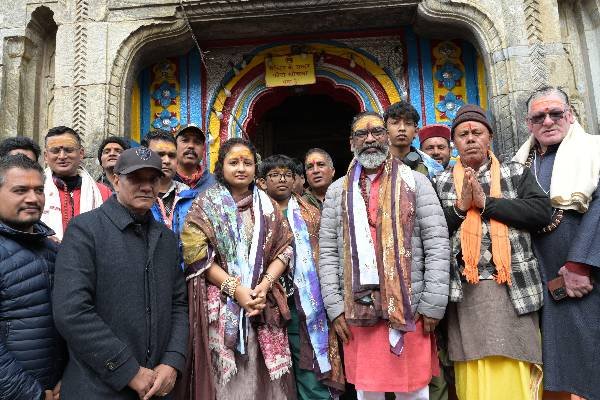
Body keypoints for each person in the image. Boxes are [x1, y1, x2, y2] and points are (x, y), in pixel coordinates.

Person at [319, 111, 450, 400]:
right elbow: (327, 252)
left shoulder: (416, 182)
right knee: (368, 392)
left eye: (376, 132)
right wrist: (335, 308)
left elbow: (437, 243)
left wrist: (432, 304)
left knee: (414, 391)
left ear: (387, 137)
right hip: (358, 310)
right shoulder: (337, 191)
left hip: (410, 307)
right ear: (351, 142)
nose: (370, 139)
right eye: (361, 134)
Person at [435, 104, 552, 400]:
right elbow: (432, 231)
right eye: (463, 134)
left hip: (514, 286)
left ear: (490, 138)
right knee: (472, 364)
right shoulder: (441, 181)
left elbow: (542, 212)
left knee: (517, 359)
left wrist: (487, 203)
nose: (470, 139)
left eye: (477, 132)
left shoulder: (516, 172)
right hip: (465, 291)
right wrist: (461, 208)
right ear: (454, 143)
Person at [53, 147, 189, 399]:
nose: (146, 187)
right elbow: (71, 311)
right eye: (136, 178)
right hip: (97, 386)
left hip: (157, 385)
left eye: (153, 179)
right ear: (116, 180)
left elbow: (178, 304)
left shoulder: (166, 238)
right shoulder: (85, 230)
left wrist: (172, 360)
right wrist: (127, 370)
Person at [178, 138, 296, 400]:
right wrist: (236, 290)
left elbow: (285, 249)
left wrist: (264, 286)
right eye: (234, 162)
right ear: (221, 167)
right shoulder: (205, 205)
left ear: (255, 168)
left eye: (247, 163)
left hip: (261, 303)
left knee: (261, 378)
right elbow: (196, 256)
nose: (241, 168)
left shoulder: (268, 207)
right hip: (221, 306)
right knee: (227, 383)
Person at [513, 86, 600, 400]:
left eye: (555, 113)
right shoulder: (519, 164)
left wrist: (580, 263)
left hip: (586, 276)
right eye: (539, 117)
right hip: (542, 281)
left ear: (570, 115)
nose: (548, 121)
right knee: (556, 370)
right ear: (529, 124)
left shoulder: (594, 150)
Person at [257, 154, 344, 400]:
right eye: (275, 175)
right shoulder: (255, 213)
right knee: (273, 376)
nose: (282, 180)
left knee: (310, 366)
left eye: (287, 174)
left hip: (305, 307)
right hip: (265, 304)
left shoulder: (312, 214)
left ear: (296, 179)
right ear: (262, 181)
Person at [0, 155, 65, 400]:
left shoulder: (53, 250)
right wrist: (31, 394)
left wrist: (70, 377)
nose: (33, 198)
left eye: (39, 190)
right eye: (20, 190)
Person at [41, 126, 112, 240]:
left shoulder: (103, 192)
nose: (62, 156)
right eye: (55, 151)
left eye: (69, 150)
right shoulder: (35, 191)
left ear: (81, 153)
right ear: (45, 156)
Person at [142, 131, 193, 233]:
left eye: (171, 155)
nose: (167, 161)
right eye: (160, 155)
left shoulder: (189, 196)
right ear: (144, 157)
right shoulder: (134, 194)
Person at [384, 101, 443, 180]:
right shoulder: (375, 164)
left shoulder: (432, 168)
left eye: (408, 123)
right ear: (386, 131)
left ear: (416, 132)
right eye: (395, 123)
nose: (402, 128)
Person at [174, 124, 215, 193]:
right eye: (185, 140)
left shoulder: (214, 184)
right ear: (174, 145)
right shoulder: (163, 180)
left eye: (197, 142)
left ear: (203, 149)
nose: (191, 146)